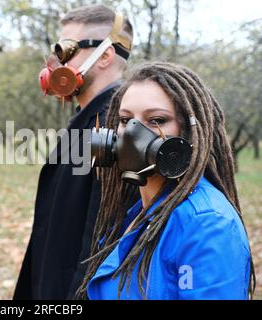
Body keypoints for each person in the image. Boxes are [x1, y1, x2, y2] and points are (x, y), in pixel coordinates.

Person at [75, 62, 256, 300]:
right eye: (125, 119)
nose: (131, 134)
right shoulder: (138, 211)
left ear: (189, 133)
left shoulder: (207, 223)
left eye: (157, 120)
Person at [13, 5, 134, 299]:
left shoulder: (114, 130)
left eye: (67, 49)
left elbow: (100, 243)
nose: (56, 62)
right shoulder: (87, 121)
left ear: (105, 55)